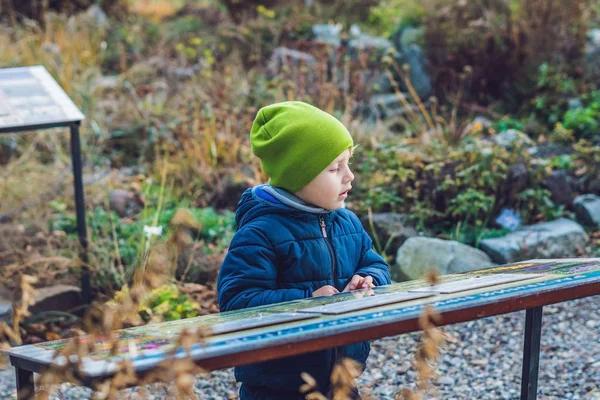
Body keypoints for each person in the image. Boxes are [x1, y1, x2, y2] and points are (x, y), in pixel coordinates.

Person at [217, 101, 391, 399]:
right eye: (335, 168)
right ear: (297, 177)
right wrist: (307, 301)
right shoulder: (261, 233)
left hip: (341, 378)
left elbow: (376, 264)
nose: (349, 176)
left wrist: (368, 279)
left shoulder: (347, 223)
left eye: (348, 163)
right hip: (277, 387)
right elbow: (236, 302)